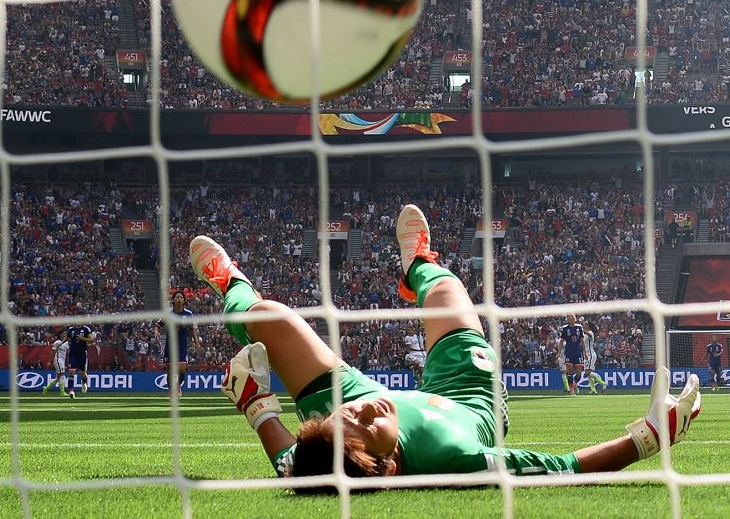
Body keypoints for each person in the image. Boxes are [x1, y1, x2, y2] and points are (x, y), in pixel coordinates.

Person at [190, 204, 701, 488]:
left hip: (338, 405)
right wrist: (648, 439)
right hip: (465, 403)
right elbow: (563, 466)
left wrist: (258, 407)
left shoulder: (333, 433)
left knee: (268, 318)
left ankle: (232, 284)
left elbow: (290, 464)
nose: (366, 411)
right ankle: (421, 266)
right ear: (389, 466)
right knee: (449, 291)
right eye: (371, 425)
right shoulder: (456, 455)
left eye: (354, 416)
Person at [156, 291, 202, 399]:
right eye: (177, 297)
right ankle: (170, 390)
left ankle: (178, 385)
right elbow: (158, 324)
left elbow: (192, 329)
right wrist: (156, 331)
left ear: (184, 300)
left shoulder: (188, 314)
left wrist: (196, 342)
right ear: (173, 300)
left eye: (181, 297)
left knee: (182, 370)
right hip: (170, 345)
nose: (179, 299)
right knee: (170, 370)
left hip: (182, 344)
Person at [66, 323, 95, 399]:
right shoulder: (71, 329)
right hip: (73, 353)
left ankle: (84, 382)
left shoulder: (86, 329)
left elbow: (91, 340)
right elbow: (68, 339)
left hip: (82, 353)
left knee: (83, 372)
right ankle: (71, 391)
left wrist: (82, 339)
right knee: (71, 371)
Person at [559, 315, 585, 395]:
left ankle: (574, 385)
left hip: (577, 351)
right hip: (569, 351)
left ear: (575, 318)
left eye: (572, 318)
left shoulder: (579, 327)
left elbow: (582, 341)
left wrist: (584, 352)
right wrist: (559, 352)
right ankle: (571, 390)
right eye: (569, 318)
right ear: (567, 320)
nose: (571, 319)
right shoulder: (565, 328)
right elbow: (561, 341)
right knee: (569, 371)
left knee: (579, 374)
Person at [41, 330, 69, 396]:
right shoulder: (57, 342)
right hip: (58, 360)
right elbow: (52, 352)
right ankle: (62, 392)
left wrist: (67, 363)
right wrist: (49, 361)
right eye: (63, 333)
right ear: (60, 335)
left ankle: (46, 388)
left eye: (65, 333)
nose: (65, 335)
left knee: (59, 377)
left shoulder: (67, 343)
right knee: (62, 374)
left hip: (63, 360)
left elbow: (67, 354)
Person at [582, 322, 607, 394]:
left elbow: (589, 335)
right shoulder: (584, 335)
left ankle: (603, 383)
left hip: (590, 354)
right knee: (589, 374)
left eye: (585, 324)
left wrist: (581, 330)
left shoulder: (590, 332)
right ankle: (593, 389)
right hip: (586, 355)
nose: (584, 325)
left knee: (587, 373)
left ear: (588, 326)